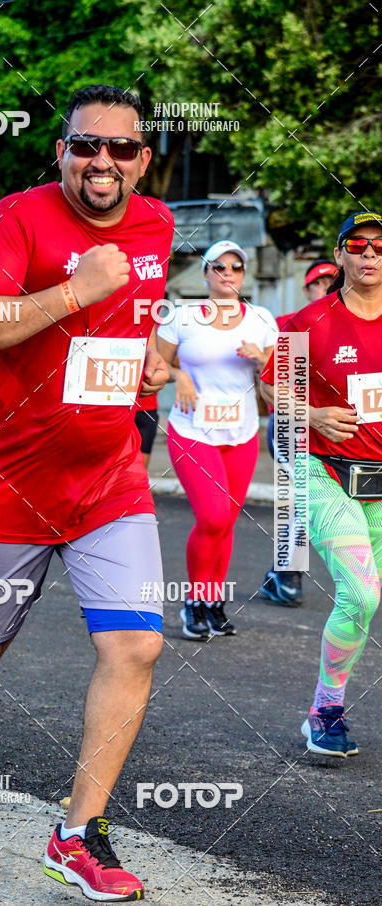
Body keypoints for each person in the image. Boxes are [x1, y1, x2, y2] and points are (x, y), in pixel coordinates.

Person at [0, 85, 173, 900]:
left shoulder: (158, 224)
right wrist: (74, 291)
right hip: (6, 481)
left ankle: (76, 832)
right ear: (60, 151)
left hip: (108, 477)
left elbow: (141, 311)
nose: (102, 161)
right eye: (85, 145)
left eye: (120, 149)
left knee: (136, 645)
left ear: (143, 159)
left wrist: (154, 356)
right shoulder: (18, 218)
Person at [261, 211, 382, 757]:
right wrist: (312, 415)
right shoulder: (307, 322)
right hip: (321, 468)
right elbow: (270, 392)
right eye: (358, 245)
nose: (370, 255)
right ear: (340, 257)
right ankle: (326, 709)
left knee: (365, 602)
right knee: (360, 590)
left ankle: (323, 708)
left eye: (380, 247)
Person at [157, 240, 277, 639]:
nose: (228, 273)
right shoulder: (182, 316)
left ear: (244, 275)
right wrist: (180, 375)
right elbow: (155, 363)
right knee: (212, 517)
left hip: (242, 433)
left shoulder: (261, 319)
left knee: (226, 524)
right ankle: (193, 602)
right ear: (206, 273)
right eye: (219, 267)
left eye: (236, 267)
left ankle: (212, 602)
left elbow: (279, 379)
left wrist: (261, 359)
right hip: (192, 431)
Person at [260, 259, 339, 606]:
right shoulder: (287, 324)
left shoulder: (352, 326)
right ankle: (288, 574)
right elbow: (268, 374)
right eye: (318, 283)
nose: (325, 288)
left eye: (331, 282)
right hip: (291, 425)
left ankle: (279, 574)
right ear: (307, 289)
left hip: (333, 432)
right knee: (302, 497)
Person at [134, 391, 159, 468]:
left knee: (144, 451)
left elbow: (168, 379)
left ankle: (139, 479)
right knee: (119, 453)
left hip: (148, 410)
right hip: (125, 408)